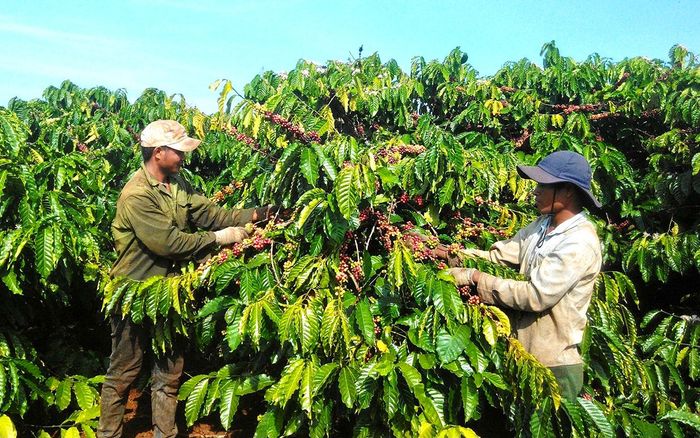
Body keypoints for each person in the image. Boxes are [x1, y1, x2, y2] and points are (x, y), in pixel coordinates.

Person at [98, 120, 279, 437]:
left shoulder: (177, 185)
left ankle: (164, 434)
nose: (184, 158)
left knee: (170, 370)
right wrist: (219, 238)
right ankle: (108, 434)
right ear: (158, 153)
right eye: (178, 152)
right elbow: (170, 244)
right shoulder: (137, 195)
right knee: (124, 371)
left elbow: (214, 215)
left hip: (172, 292)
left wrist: (263, 214)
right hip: (135, 293)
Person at [444, 150, 602, 400]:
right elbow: (499, 257)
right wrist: (449, 254)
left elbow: (536, 296)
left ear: (568, 191)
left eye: (544, 185)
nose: (535, 191)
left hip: (553, 367)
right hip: (520, 355)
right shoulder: (542, 226)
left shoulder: (579, 242)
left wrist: (476, 279)